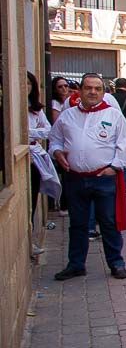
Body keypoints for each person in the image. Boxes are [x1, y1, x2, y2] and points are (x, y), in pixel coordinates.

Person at [49, 73, 126, 280]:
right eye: (88, 88)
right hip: (75, 178)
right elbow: (55, 140)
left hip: (104, 178)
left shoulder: (113, 115)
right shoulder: (67, 116)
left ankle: (116, 263)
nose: (93, 92)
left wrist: (114, 167)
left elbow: (124, 145)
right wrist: (57, 153)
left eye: (97, 88)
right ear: (80, 91)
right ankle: (76, 264)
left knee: (108, 223)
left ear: (103, 92)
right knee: (77, 223)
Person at [27, 73, 60, 234]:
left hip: (35, 155)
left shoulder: (35, 109)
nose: (25, 87)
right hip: (27, 153)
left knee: (33, 197)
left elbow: (48, 131)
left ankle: (31, 234)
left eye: (29, 84)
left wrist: (28, 132)